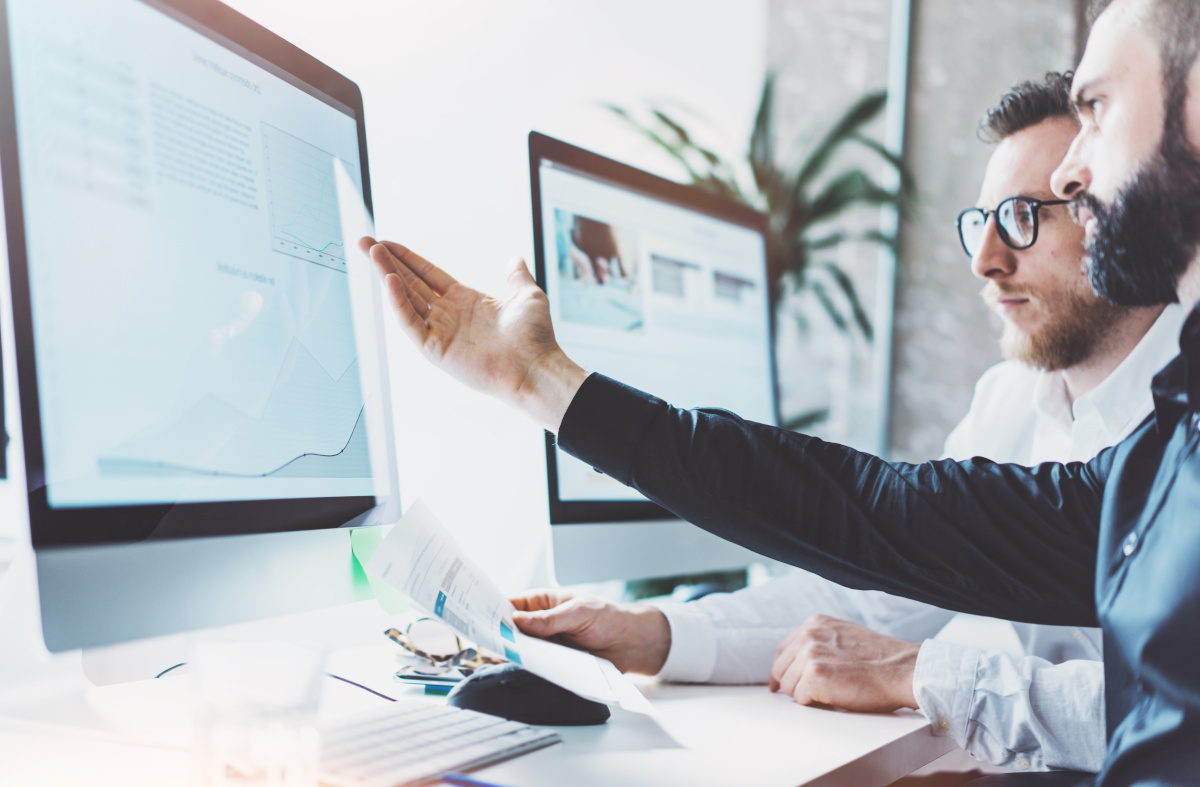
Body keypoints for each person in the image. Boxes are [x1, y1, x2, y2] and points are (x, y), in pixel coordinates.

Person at [363, 1, 1200, 782]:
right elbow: (882, 536)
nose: (1079, 172)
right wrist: (659, 630)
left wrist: (931, 673)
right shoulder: (1150, 437)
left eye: (1099, 109)